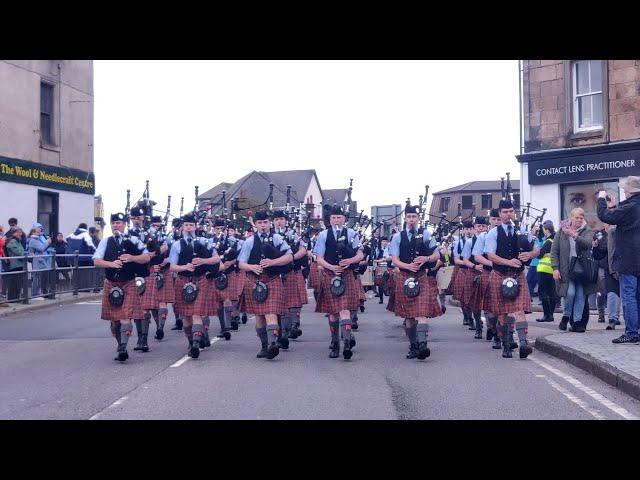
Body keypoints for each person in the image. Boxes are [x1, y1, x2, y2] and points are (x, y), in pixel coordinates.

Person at [93, 213, 151, 362]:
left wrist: (132, 258)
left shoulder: (133, 240)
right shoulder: (105, 242)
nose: (115, 226)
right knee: (114, 321)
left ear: (124, 224)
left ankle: (123, 347)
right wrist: (111, 264)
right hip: (111, 283)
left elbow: (146, 257)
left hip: (128, 282)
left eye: (118, 223)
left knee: (125, 317)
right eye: (113, 223)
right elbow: (96, 261)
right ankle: (120, 345)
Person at [484, 199, 538, 359]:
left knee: (519, 310)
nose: (509, 214)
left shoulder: (522, 230)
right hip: (499, 274)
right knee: (502, 314)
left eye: (511, 211)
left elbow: (535, 248)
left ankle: (523, 344)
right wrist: (508, 262)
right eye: (505, 212)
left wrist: (531, 254)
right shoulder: (493, 233)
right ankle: (506, 345)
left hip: (517, 274)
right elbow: (490, 255)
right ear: (500, 214)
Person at [388, 205, 442, 360]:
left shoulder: (426, 234)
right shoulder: (397, 237)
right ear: (405, 219)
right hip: (404, 276)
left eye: (414, 217)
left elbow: (436, 254)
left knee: (422, 312)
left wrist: (426, 258)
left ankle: (423, 345)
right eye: (409, 217)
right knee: (409, 317)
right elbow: (395, 259)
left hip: (421, 276)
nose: (412, 219)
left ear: (418, 219)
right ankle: (413, 344)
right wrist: (407, 266)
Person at [237, 210, 292, 359]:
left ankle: (273, 344)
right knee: (260, 317)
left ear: (270, 223)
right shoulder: (249, 241)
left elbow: (289, 256)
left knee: (271, 313)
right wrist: (252, 267)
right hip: (254, 281)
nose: (263, 225)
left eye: (265, 222)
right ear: (255, 224)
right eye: (260, 223)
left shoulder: (277, 238)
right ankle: (264, 345)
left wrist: (273, 262)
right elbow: (241, 264)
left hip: (272, 278)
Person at [313, 205, 364, 360]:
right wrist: (332, 267)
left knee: (345, 310)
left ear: (344, 219)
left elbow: (360, 254)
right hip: (330, 274)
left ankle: (347, 343)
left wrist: (350, 260)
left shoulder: (351, 233)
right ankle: (335, 344)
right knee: (333, 314)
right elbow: (318, 258)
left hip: (347, 274)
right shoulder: (323, 235)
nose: (336, 220)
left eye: (339, 217)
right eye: (334, 218)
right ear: (330, 220)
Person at [169, 213, 221, 359]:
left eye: (191, 225)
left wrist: (203, 261)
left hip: (200, 280)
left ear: (196, 227)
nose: (189, 227)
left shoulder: (205, 241)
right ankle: (191, 342)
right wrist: (184, 267)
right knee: (186, 316)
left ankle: (196, 344)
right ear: (182, 228)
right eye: (186, 225)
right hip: (183, 280)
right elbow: (172, 267)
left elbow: (216, 258)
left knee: (197, 314)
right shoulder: (176, 244)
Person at [596, 176, 640, 344]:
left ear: (630, 191)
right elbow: (619, 214)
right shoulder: (633, 206)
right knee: (637, 296)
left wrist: (601, 199)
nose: (623, 191)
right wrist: (613, 206)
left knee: (628, 296)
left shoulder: (630, 206)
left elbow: (605, 216)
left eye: (625, 189)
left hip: (628, 259)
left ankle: (631, 332)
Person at [550, 207, 597, 333]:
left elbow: (588, 243)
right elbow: (554, 251)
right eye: (577, 217)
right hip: (566, 269)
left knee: (580, 296)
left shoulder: (587, 231)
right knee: (570, 293)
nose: (579, 220)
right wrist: (555, 268)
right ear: (571, 217)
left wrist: (574, 235)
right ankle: (566, 316)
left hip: (582, 269)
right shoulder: (562, 231)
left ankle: (576, 322)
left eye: (581, 218)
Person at [473, 208, 504, 349]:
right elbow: (477, 256)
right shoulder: (483, 236)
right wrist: (494, 263)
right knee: (490, 310)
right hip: (488, 273)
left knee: (504, 308)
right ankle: (494, 332)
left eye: (498, 219)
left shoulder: (508, 233)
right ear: (489, 221)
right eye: (494, 219)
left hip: (506, 274)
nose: (497, 222)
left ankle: (504, 335)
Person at [460, 216, 488, 339]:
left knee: (490, 302)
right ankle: (478, 326)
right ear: (475, 227)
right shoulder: (470, 242)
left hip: (488, 273)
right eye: (479, 226)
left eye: (483, 226)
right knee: (475, 304)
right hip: (473, 273)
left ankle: (492, 328)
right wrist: (475, 266)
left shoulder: (490, 238)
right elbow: (465, 260)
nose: (481, 228)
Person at [591, 221, 622, 330]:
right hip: (607, 268)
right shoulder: (601, 234)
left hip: (624, 267)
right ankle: (609, 317)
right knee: (607, 292)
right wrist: (595, 247)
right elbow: (599, 252)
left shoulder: (623, 231)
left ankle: (617, 317)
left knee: (621, 294)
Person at [535, 221, 559, 323]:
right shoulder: (555, 240)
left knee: (542, 292)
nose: (543, 232)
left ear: (547, 230)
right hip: (552, 269)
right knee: (551, 292)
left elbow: (539, 254)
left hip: (544, 269)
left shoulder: (548, 241)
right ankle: (551, 315)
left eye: (543, 230)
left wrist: (539, 252)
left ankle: (546, 314)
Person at [66, 222, 97, 292]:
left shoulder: (72, 234)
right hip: (84, 258)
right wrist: (97, 253)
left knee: (76, 273)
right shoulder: (85, 235)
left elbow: (66, 238)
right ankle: (84, 289)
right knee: (85, 274)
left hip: (73, 258)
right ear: (86, 228)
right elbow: (91, 245)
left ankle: (76, 288)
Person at [27, 223, 53, 298]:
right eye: (37, 231)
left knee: (42, 277)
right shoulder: (33, 240)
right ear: (33, 232)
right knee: (37, 278)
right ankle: (35, 294)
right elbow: (41, 248)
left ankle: (42, 293)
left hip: (42, 260)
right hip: (38, 262)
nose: (39, 232)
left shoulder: (37, 239)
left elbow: (43, 248)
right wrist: (47, 242)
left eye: (40, 230)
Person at [4, 228, 26, 302]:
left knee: (18, 283)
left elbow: (22, 251)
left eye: (21, 232)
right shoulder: (12, 241)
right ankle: (12, 299)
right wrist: (26, 254)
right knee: (14, 283)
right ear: (14, 233)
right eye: (18, 232)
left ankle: (16, 298)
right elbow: (19, 252)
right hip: (14, 265)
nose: (20, 234)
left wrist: (26, 254)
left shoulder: (17, 241)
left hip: (18, 264)